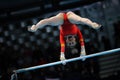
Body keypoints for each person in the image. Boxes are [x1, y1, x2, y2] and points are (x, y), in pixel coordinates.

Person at [28, 11, 101, 65]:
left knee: (48, 21)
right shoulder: (77, 33)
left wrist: (62, 56)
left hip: (61, 19)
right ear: (75, 40)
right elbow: (81, 41)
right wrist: (83, 52)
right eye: (72, 42)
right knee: (80, 20)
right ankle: (92, 24)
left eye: (69, 43)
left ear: (66, 41)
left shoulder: (62, 36)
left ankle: (35, 27)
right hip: (70, 16)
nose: (70, 41)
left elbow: (62, 46)